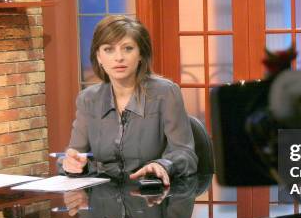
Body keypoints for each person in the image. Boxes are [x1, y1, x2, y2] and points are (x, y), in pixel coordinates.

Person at [60, 15, 198, 186]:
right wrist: (72, 163)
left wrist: (162, 165)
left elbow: (186, 154)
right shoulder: (89, 99)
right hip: (104, 204)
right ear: (99, 57)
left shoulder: (165, 93)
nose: (119, 58)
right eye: (109, 50)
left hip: (151, 197)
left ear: (141, 54)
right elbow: (74, 154)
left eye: (127, 48)